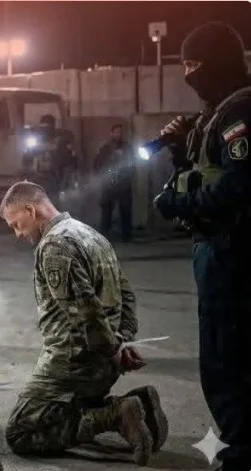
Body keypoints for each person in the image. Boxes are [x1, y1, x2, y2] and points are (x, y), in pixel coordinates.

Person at [0, 181, 166, 466]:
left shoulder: (55, 246)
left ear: (30, 210)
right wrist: (123, 342)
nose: (18, 233)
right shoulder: (91, 234)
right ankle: (141, 405)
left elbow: (86, 312)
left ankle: (115, 415)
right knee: (67, 405)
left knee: (20, 431)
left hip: (75, 363)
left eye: (16, 224)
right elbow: (126, 294)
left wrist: (113, 350)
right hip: (105, 363)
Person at [152, 21, 251, 471]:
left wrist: (181, 203)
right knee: (223, 350)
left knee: (227, 354)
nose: (189, 74)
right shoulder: (216, 111)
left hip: (233, 248)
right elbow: (205, 170)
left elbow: (240, 184)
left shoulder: (239, 110)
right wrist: (179, 151)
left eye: (194, 64)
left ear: (218, 62)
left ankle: (243, 451)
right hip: (218, 246)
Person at [94, 123, 134, 242]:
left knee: (125, 210)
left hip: (123, 183)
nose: (119, 134)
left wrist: (128, 176)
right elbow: (98, 163)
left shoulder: (127, 147)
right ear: (111, 133)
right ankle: (104, 236)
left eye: (120, 132)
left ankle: (126, 236)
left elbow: (133, 164)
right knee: (106, 210)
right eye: (116, 132)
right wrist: (103, 177)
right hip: (109, 183)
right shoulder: (105, 148)